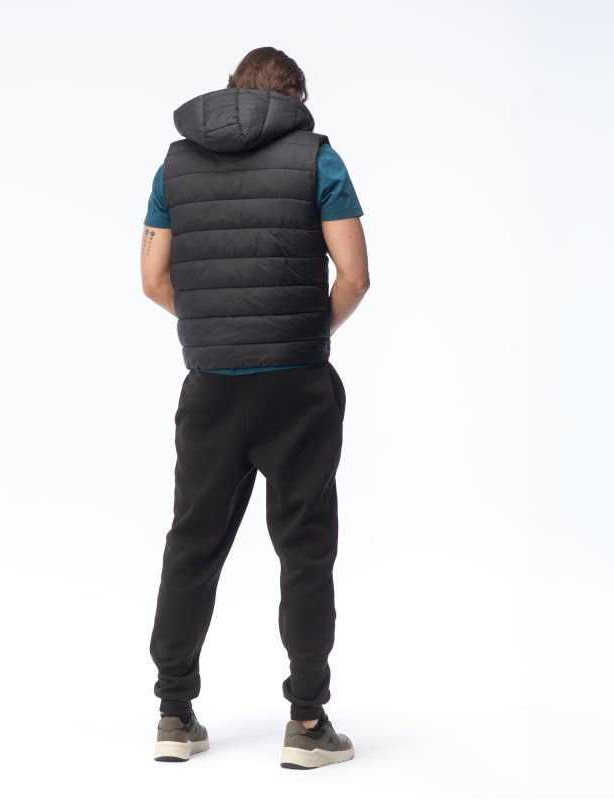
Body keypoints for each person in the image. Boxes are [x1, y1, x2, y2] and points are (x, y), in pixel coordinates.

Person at [140, 46, 370, 769]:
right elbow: (354, 277)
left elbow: (153, 280)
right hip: (297, 385)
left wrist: (219, 330)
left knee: (192, 544)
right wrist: (300, 332)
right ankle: (307, 724)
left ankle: (174, 715)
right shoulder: (317, 159)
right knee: (305, 550)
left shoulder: (174, 166)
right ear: (295, 98)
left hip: (209, 386)